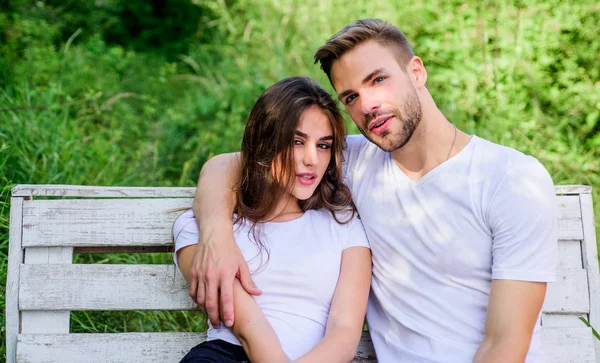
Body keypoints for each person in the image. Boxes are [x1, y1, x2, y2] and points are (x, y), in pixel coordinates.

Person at [188, 19, 558, 362]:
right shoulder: (355, 162)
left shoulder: (511, 179)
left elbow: (505, 343)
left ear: (416, 72)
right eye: (350, 97)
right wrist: (217, 236)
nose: (366, 105)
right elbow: (230, 164)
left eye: (377, 80)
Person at [173, 76, 372, 362]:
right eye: (296, 141)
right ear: (265, 142)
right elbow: (249, 329)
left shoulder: (344, 222)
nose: (312, 159)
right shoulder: (203, 227)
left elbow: (344, 331)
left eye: (324, 145)